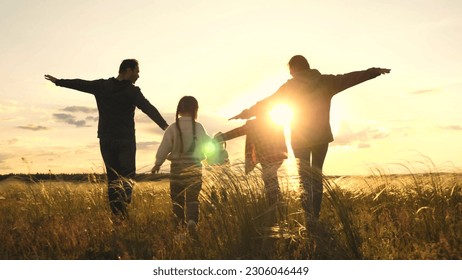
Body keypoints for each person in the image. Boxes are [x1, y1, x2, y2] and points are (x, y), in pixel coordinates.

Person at [231, 55, 390, 224]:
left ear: (293, 69)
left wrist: (245, 113)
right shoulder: (325, 81)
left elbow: (267, 103)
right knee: (316, 176)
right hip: (321, 137)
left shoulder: (290, 87)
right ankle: (315, 216)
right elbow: (350, 78)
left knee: (305, 179)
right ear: (307, 66)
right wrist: (374, 72)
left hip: (300, 139)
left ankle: (309, 219)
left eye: (290, 71)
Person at [44, 59, 168, 219]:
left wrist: (59, 82)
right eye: (137, 71)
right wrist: (166, 127)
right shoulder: (132, 91)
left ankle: (118, 215)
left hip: (106, 139)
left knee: (113, 179)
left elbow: (81, 84)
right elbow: (148, 108)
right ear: (128, 71)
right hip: (125, 140)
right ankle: (123, 206)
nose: (138, 75)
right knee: (128, 175)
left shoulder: (103, 86)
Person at [152, 96, 211, 239]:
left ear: (179, 109)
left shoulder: (173, 128)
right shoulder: (198, 127)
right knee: (193, 197)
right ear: (195, 110)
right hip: (195, 167)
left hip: (177, 168)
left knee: (177, 198)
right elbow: (207, 145)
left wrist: (158, 163)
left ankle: (180, 226)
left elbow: (164, 147)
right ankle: (192, 221)